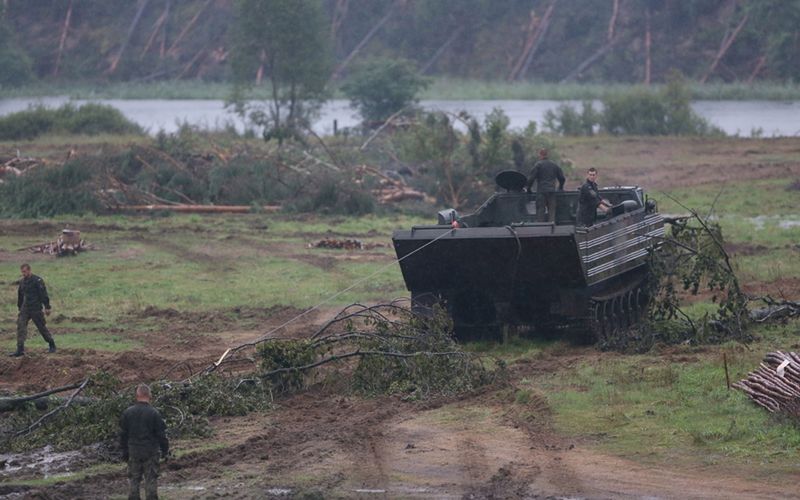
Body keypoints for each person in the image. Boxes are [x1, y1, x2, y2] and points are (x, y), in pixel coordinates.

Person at [120, 384, 169, 500]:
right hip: (150, 452)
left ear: (137, 396)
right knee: (151, 479)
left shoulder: (127, 413)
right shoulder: (154, 413)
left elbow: (123, 435)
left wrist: (125, 452)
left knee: (134, 480)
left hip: (134, 451)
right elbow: (162, 435)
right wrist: (165, 450)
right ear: (149, 396)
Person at [12, 263, 55, 357]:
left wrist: (47, 307)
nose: (23, 274)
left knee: (41, 327)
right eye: (22, 272)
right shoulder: (22, 282)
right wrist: (20, 307)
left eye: (25, 271)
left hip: (35, 308)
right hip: (25, 308)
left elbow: (43, 294)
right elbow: (20, 295)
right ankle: (20, 349)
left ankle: (51, 344)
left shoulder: (37, 280)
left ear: (29, 270)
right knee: (20, 326)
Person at [525, 148, 566, 222]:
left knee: (540, 210)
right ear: (547, 155)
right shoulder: (554, 165)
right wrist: (560, 187)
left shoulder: (538, 165)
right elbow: (562, 178)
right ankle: (552, 228)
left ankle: (541, 228)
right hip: (551, 191)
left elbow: (531, 178)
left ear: (540, 155)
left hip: (541, 191)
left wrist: (528, 188)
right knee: (552, 211)